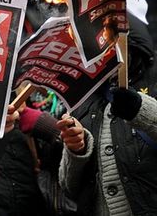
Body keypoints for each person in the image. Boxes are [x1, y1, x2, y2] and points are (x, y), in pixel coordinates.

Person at [58, 62, 157, 214]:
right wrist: (77, 149)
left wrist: (140, 109)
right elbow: (68, 187)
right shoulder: (80, 98)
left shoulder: (151, 73)